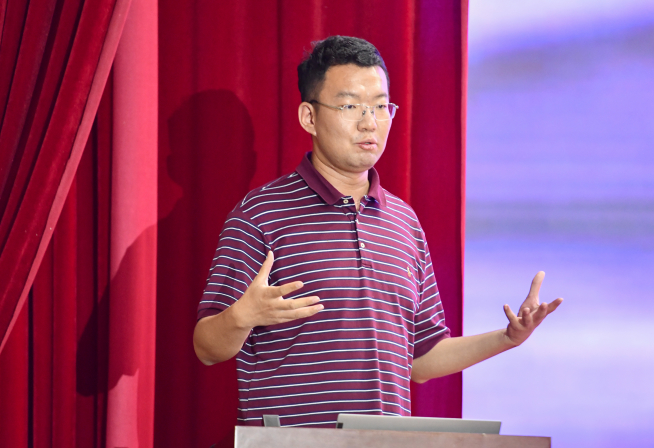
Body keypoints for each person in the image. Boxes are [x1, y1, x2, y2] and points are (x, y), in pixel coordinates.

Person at [193, 36, 561, 427]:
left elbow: (421, 359)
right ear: (309, 117)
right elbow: (206, 347)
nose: (369, 122)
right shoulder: (262, 214)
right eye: (350, 106)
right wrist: (242, 316)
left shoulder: (404, 222)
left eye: (381, 106)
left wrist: (507, 339)